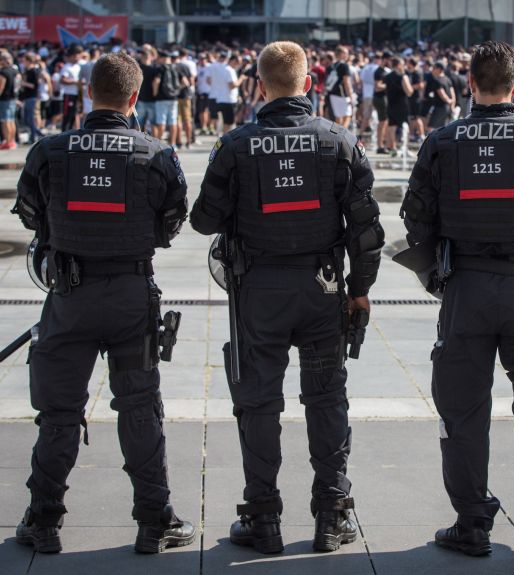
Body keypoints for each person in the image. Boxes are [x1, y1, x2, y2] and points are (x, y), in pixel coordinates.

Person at [190, 41, 384, 555]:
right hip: (322, 292)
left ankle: (263, 518)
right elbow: (367, 231)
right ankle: (331, 515)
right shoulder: (338, 141)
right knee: (326, 400)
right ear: (308, 84)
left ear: (259, 86)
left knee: (258, 404)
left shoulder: (234, 145)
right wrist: (360, 291)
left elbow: (203, 220)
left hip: (258, 296)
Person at [400, 40, 514, 557]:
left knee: (462, 410)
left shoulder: (441, 143)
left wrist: (440, 281)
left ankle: (472, 523)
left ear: (469, 83)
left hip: (465, 289)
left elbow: (416, 226)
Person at [11, 52, 195, 554]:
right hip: (131, 295)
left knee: (59, 412)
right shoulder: (157, 153)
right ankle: (155, 521)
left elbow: (30, 214)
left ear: (88, 92)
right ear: (135, 99)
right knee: (140, 407)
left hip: (69, 295)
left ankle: (44, 520)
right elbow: (171, 223)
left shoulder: (49, 151)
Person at [0, 51, 19, 149]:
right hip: (13, 98)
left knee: (5, 121)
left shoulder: (3, 72)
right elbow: (18, 84)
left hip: (4, 99)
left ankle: (7, 142)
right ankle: (12, 141)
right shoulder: (14, 71)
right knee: (11, 120)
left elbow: (1, 87)